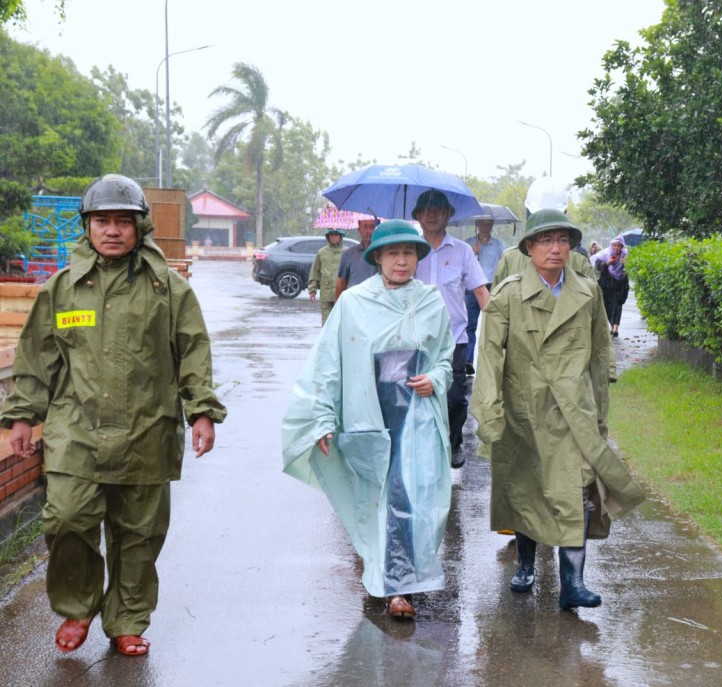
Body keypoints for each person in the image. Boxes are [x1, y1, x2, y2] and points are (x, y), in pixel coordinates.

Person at [0, 174, 227, 656]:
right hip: (76, 429)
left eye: (123, 221)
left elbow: (193, 351)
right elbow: (36, 356)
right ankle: (79, 604)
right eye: (102, 220)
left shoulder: (169, 289)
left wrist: (201, 410)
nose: (112, 230)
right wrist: (22, 415)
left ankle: (126, 618)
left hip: (146, 429)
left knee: (138, 533)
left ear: (140, 227)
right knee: (65, 519)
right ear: (87, 227)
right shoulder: (62, 290)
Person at [470, 208, 644, 611]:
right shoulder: (509, 294)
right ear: (529, 247)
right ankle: (526, 567)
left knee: (578, 490)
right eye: (546, 241)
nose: (555, 249)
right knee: (528, 489)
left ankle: (573, 583)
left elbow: (601, 352)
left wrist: (600, 410)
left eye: (562, 241)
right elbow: (490, 357)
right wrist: (490, 412)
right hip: (524, 411)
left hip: (574, 411)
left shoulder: (587, 291)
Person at [282, 220, 454, 620]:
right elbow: (329, 364)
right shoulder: (354, 303)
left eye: (409, 253)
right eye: (392, 253)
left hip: (417, 411)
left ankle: (402, 579)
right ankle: (396, 584)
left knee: (418, 495)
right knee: (382, 498)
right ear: (376, 257)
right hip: (369, 412)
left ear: (417, 258)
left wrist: (435, 378)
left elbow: (446, 356)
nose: (401, 260)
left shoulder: (430, 300)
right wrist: (323, 416)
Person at [411, 189, 488, 468]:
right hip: (414, 339)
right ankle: (419, 453)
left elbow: (480, 291)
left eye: (438, 209)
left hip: (453, 339)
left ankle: (454, 442)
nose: (431, 214)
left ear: (448, 215)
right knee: (414, 396)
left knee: (454, 398)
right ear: (417, 215)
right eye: (426, 209)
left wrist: (498, 329)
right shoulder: (408, 250)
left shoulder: (463, 252)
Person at [464, 217, 505, 376]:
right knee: (470, 325)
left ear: (492, 225)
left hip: (491, 287)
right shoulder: (468, 244)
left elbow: (503, 262)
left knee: (492, 324)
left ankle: (490, 361)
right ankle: (468, 360)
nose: (485, 227)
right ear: (477, 225)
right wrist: (472, 254)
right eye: (482, 224)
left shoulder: (499, 245)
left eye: (489, 224)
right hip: (472, 288)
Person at [591, 235, 630, 337]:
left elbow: (631, 269)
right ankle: (611, 326)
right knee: (608, 306)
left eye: (619, 246)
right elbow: (598, 267)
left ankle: (615, 328)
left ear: (622, 247)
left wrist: (626, 264)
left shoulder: (626, 256)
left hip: (620, 286)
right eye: (615, 246)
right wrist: (607, 263)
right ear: (612, 246)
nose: (616, 248)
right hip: (607, 286)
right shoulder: (605, 255)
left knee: (617, 305)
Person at [309, 228, 347, 325]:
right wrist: (312, 290)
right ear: (328, 237)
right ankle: (327, 340)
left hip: (341, 293)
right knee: (326, 323)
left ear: (340, 236)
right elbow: (315, 271)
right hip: (326, 292)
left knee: (340, 322)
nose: (334, 237)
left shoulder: (346, 253)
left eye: (336, 234)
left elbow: (351, 272)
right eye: (331, 235)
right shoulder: (322, 253)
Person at [335, 217, 379, 297]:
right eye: (365, 227)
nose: (369, 231)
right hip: (354, 302)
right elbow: (341, 283)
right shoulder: (348, 254)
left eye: (372, 227)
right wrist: (338, 306)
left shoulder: (383, 254)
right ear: (359, 229)